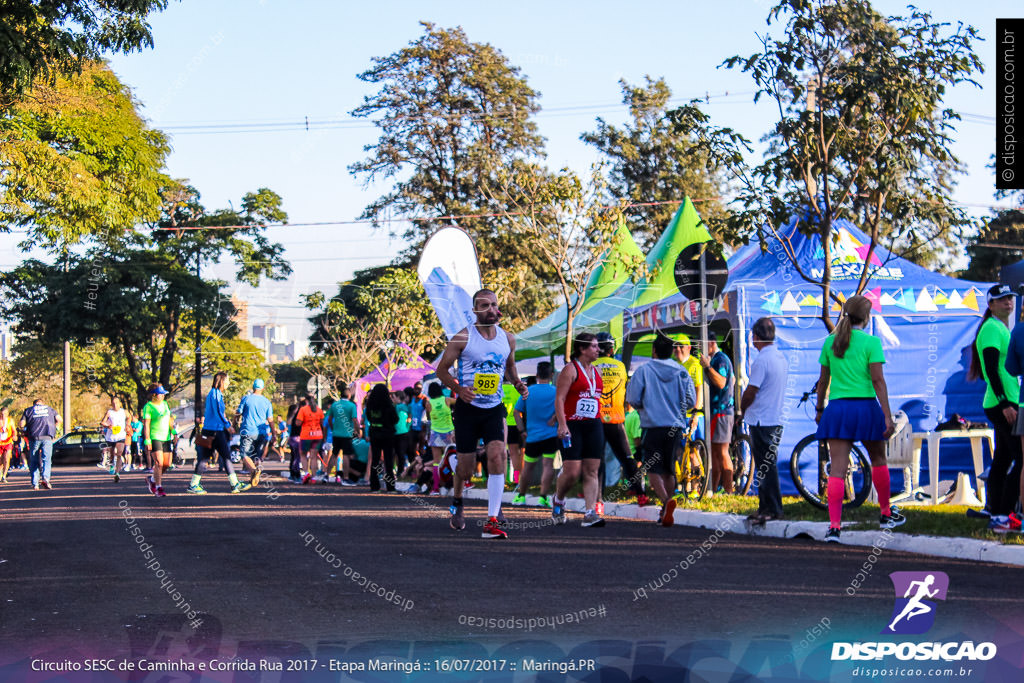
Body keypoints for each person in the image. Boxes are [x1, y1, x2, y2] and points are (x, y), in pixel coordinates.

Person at [435, 288, 528, 539]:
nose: (491, 309)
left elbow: (509, 367)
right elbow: (441, 371)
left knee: (498, 455)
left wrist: (517, 383)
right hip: (468, 409)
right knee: (465, 469)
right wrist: (458, 390)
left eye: (494, 305)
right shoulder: (462, 338)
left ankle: (493, 517)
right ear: (475, 311)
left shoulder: (507, 339)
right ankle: (457, 501)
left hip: (494, 408)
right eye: (484, 305)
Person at [814, 295, 905, 543]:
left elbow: (823, 381)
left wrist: (819, 408)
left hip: (838, 409)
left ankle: (834, 527)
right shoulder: (871, 342)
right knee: (878, 459)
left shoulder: (830, 343)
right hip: (865, 407)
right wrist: (887, 414)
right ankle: (885, 513)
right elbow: (878, 381)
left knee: (837, 468)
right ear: (867, 317)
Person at [625, 333, 696, 526]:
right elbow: (691, 401)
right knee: (669, 468)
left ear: (653, 351)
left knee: (651, 468)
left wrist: (645, 406)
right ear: (672, 351)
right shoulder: (682, 372)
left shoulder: (644, 371)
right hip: (675, 427)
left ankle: (666, 501)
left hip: (653, 426)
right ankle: (666, 510)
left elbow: (632, 398)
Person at [974, 284, 1023, 528]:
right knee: (1021, 459)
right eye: (1002, 299)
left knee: (1003, 457)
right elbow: (991, 370)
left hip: (1007, 399)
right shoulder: (992, 328)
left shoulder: (1001, 327)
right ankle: (1004, 513)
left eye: (1010, 298)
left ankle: (993, 509)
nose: (1008, 303)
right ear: (991, 304)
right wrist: (1005, 403)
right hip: (1001, 402)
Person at [553, 332, 606, 528]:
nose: (597, 349)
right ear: (582, 349)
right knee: (572, 472)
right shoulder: (570, 370)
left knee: (591, 470)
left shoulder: (597, 371)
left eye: (597, 346)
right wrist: (562, 423)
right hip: (573, 425)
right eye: (593, 346)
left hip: (593, 424)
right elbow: (559, 399)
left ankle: (589, 512)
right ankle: (558, 500)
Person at [740, 317, 789, 524]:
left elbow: (751, 391)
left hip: (761, 419)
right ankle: (769, 507)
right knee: (768, 465)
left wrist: (741, 410)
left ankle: (771, 509)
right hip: (775, 417)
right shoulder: (781, 357)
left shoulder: (761, 361)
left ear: (756, 337)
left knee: (764, 466)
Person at [594, 331, 647, 508]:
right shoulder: (620, 367)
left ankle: (598, 502)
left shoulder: (592, 366)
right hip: (616, 419)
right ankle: (641, 495)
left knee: (598, 460)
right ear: (611, 349)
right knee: (627, 459)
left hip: (597, 420)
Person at [512, 361, 559, 507]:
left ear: (537, 375)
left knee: (528, 467)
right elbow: (562, 409)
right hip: (551, 435)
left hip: (532, 436)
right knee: (548, 465)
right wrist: (555, 418)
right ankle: (543, 497)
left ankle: (521, 496)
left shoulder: (528, 391)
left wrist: (522, 431)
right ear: (552, 375)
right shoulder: (556, 391)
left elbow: (516, 412)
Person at [189, 372, 244, 494]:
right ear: (222, 381)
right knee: (211, 458)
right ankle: (194, 484)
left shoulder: (216, 394)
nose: (229, 383)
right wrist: (228, 426)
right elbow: (219, 412)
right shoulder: (215, 394)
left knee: (224, 456)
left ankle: (234, 484)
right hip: (213, 431)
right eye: (228, 380)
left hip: (215, 430)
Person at [700, 332, 736, 494]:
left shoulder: (720, 359)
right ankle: (712, 490)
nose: (700, 348)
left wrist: (707, 367)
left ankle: (729, 491)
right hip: (718, 411)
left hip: (721, 411)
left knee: (721, 452)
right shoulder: (718, 359)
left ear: (711, 342)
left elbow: (721, 383)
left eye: (702, 343)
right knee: (715, 454)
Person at [236, 378, 274, 492]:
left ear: (253, 387)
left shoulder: (246, 398)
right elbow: (270, 419)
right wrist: (274, 434)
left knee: (244, 455)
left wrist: (235, 422)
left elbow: (238, 412)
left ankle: (253, 471)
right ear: (263, 389)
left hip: (248, 431)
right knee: (257, 455)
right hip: (261, 432)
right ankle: (256, 470)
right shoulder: (267, 402)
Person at [363, 384, 399, 492]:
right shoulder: (388, 405)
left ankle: (374, 486)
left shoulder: (370, 405)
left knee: (375, 460)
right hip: (387, 434)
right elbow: (395, 419)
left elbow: (368, 418)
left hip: (374, 433)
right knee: (388, 461)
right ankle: (390, 487)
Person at [20, 398, 62, 490]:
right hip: (47, 436)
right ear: (43, 404)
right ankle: (46, 478)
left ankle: (35, 484)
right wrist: (54, 427)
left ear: (34, 404)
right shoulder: (50, 409)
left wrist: (25, 429)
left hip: (34, 437)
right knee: (46, 459)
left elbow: (22, 424)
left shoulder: (29, 410)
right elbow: (59, 419)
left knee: (34, 460)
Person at [423, 381, 457, 494]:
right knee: (452, 458)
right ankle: (452, 482)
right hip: (449, 432)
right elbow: (460, 402)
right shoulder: (447, 400)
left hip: (435, 433)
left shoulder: (428, 403)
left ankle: (436, 487)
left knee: (437, 462)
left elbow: (428, 418)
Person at [141, 384, 174, 497]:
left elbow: (169, 419)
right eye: (161, 394)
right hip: (155, 437)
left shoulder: (165, 404)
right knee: (159, 463)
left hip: (166, 438)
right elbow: (146, 424)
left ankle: (152, 479)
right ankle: (159, 488)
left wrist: (173, 432)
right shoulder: (148, 407)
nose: (164, 396)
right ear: (154, 395)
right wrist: (147, 440)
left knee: (167, 464)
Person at [326, 386, 360, 486]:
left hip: (336, 434)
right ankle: (345, 478)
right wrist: (357, 431)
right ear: (349, 395)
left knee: (334, 454)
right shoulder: (352, 405)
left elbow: (329, 419)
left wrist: (333, 428)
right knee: (346, 455)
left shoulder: (335, 405)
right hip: (347, 434)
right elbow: (355, 420)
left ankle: (327, 475)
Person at [294, 394, 325, 484]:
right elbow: (322, 423)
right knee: (314, 457)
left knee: (303, 455)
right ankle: (314, 477)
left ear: (306, 401)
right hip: (318, 435)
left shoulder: (303, 409)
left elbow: (298, 423)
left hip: (306, 435)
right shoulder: (319, 410)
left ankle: (307, 473)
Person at [101, 396, 129, 484]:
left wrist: (128, 425)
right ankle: (112, 465)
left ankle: (117, 473)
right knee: (112, 453)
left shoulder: (124, 411)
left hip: (121, 435)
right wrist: (107, 426)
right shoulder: (109, 412)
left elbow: (129, 417)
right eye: (113, 403)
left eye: (117, 403)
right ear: (111, 404)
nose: (115, 405)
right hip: (111, 436)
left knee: (119, 453)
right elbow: (102, 422)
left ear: (120, 403)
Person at [502, 382, 525, 486]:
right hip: (516, 424)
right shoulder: (516, 391)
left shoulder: (499, 390)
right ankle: (517, 480)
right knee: (516, 454)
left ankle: (500, 480)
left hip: (501, 424)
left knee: (501, 453)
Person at [0, 406, 17, 483]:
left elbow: (14, 430)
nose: (3, 416)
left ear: (7, 414)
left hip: (8, 442)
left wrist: (14, 435)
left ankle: (4, 476)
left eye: (5, 414)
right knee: (0, 461)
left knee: (6, 459)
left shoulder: (10, 421)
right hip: (0, 443)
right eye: (2, 414)